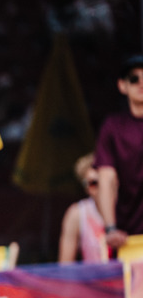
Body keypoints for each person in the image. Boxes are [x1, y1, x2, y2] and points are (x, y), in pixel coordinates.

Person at [95, 54, 143, 251]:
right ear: (122, 86)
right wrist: (111, 228)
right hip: (127, 239)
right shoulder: (113, 126)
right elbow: (105, 178)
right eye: (134, 79)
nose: (141, 83)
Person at [58, 153, 108, 263]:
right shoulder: (77, 214)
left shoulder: (129, 209)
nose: (100, 188)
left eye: (103, 182)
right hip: (92, 280)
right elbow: (65, 265)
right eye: (92, 183)